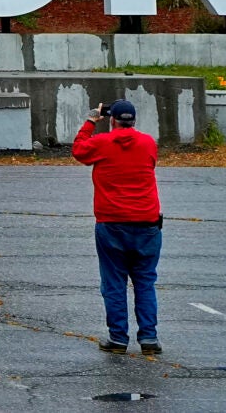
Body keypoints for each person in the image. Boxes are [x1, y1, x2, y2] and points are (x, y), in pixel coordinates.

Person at [71, 97, 162, 357]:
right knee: (145, 281)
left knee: (114, 282)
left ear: (111, 120)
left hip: (112, 221)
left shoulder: (102, 143)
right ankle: (149, 337)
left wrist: (90, 121)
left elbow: (79, 150)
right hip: (147, 222)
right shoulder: (148, 143)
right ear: (134, 120)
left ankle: (118, 337)